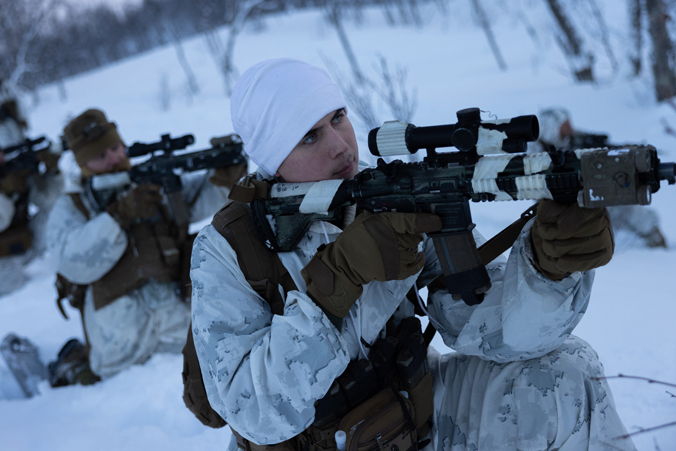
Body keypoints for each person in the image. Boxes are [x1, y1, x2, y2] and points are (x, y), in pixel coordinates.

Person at [189, 59, 637, 451]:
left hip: (415, 418)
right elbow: (253, 411)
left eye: (339, 117)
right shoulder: (226, 249)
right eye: (308, 136)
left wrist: (547, 269)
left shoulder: (383, 196)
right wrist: (338, 282)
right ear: (272, 157)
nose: (340, 145)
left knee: (569, 374)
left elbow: (490, 328)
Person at [46, 108, 245, 385]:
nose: (115, 159)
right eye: (101, 156)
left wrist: (225, 178)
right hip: (119, 350)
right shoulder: (72, 206)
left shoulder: (150, 182)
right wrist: (118, 217)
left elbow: (198, 201)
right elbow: (73, 262)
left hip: (180, 333)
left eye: (116, 148)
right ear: (83, 165)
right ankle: (72, 366)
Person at [532, 107, 667, 249]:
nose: (570, 128)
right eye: (564, 125)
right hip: (565, 209)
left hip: (585, 196)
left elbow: (595, 144)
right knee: (622, 207)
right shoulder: (536, 155)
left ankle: (653, 236)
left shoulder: (570, 140)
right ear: (551, 128)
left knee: (625, 203)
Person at [0, 79, 62, 296]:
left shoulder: (16, 156)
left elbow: (48, 202)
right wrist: (5, 194)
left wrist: (53, 172)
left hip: (21, 247)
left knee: (58, 211)